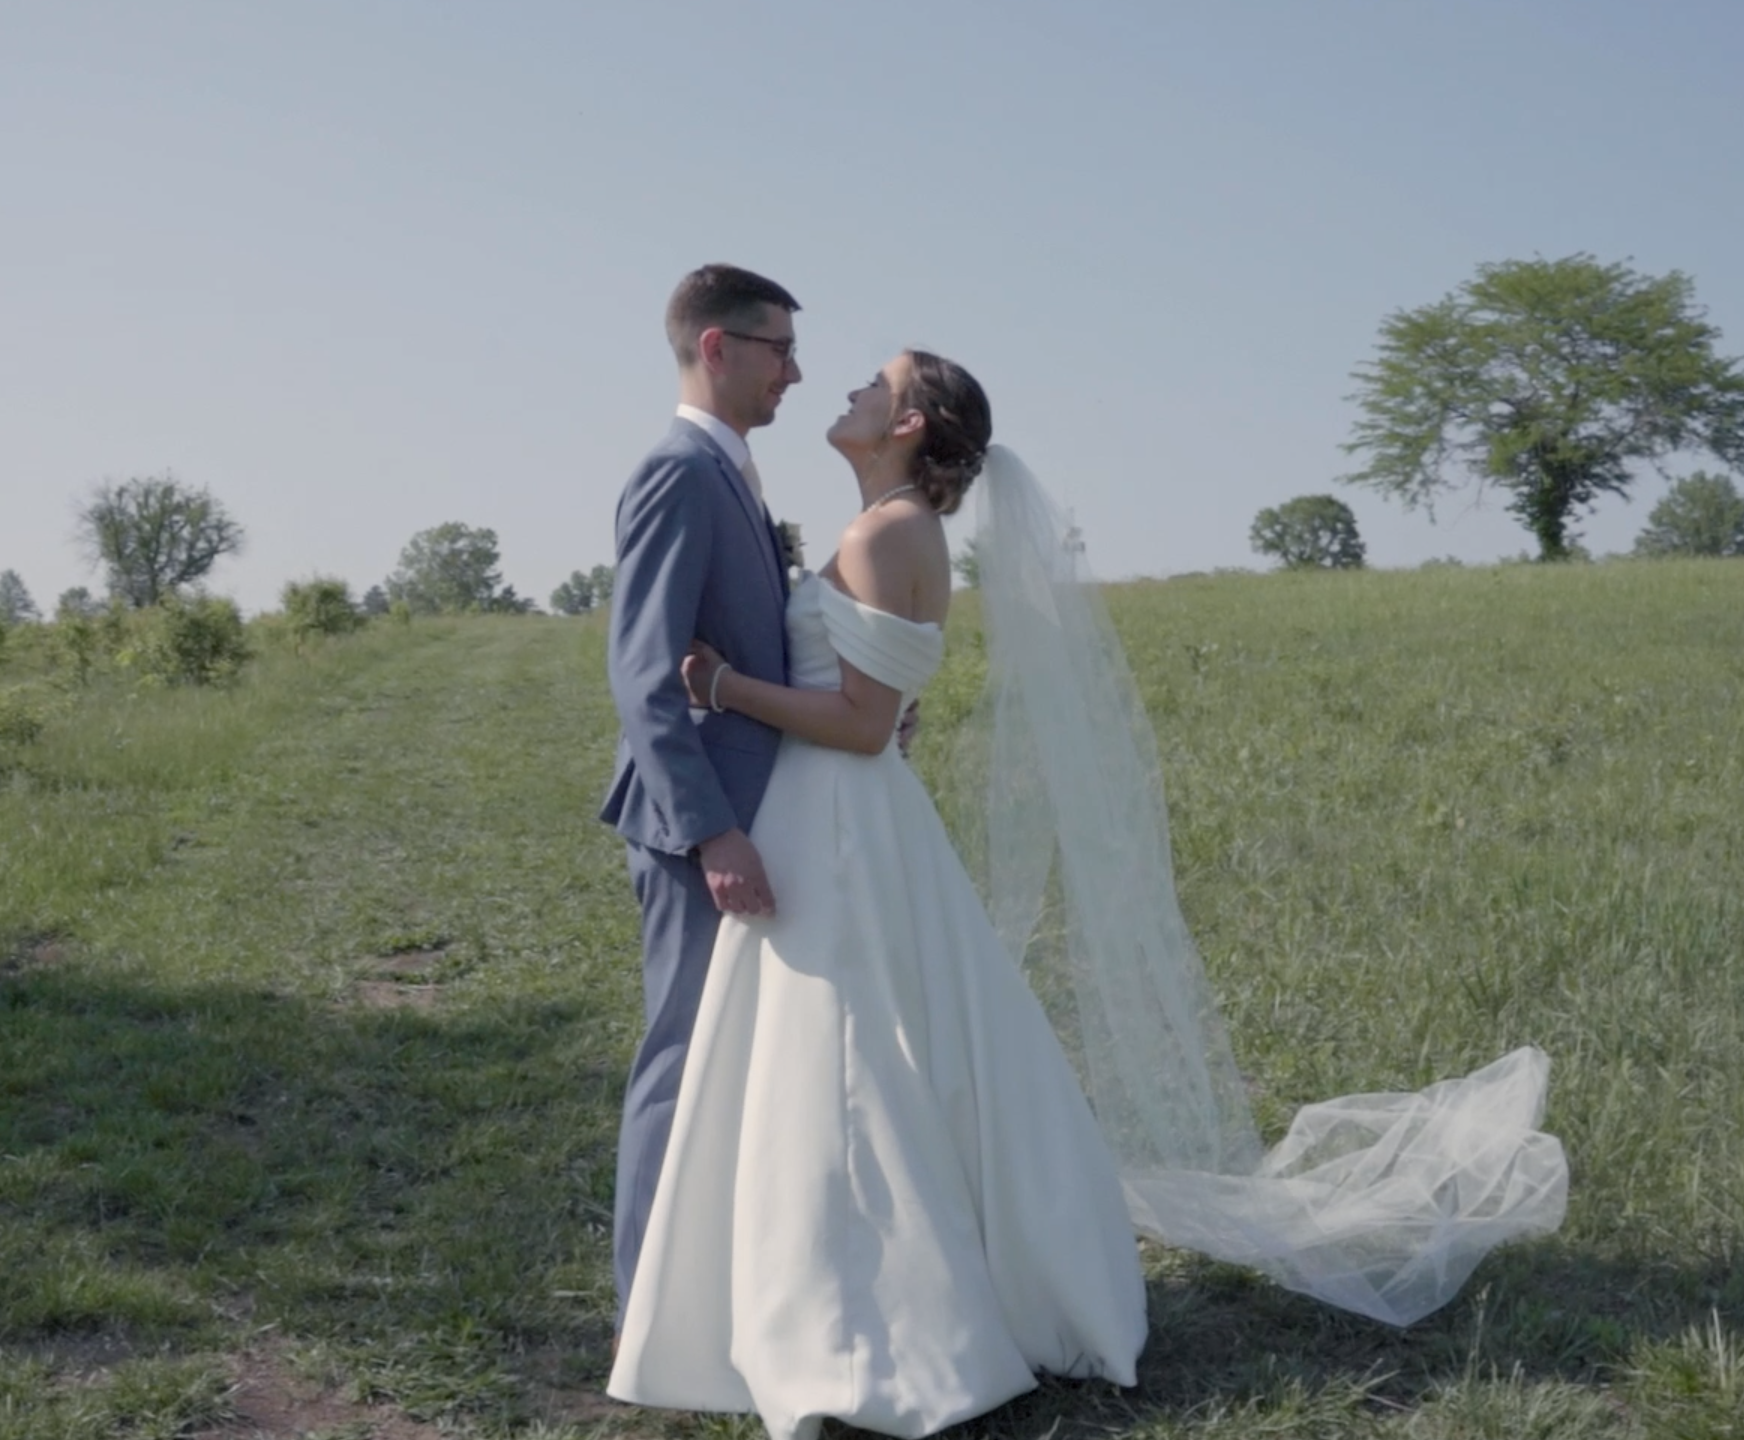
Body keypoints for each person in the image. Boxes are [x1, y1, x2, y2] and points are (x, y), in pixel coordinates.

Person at [607, 350, 1149, 1439]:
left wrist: (720, 685)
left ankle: (866, 1322)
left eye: (873, 382)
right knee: (863, 1052)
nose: (846, 389)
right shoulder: (887, 526)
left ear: (907, 426)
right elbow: (874, 698)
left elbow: (858, 724)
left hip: (838, 822)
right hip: (840, 812)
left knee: (845, 1064)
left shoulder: (883, 532)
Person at [599, 263, 803, 1328]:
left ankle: (715, 1288)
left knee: (735, 1062)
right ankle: (651, 1317)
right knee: (680, 1061)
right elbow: (643, 673)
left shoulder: (733, 471)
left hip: (747, 808)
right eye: (778, 349)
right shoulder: (679, 469)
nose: (796, 373)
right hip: (697, 829)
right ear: (717, 348)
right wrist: (712, 829)